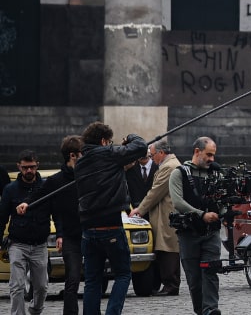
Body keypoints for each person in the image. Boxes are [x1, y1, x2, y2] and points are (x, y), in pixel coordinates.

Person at [75, 122, 147, 315]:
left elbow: (105, 176)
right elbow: (141, 146)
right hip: (111, 226)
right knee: (123, 274)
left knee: (92, 280)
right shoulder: (108, 154)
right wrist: (129, 139)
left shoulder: (81, 162)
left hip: (88, 230)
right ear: (103, 141)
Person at [18, 137, 84, 315]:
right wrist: (27, 203)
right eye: (82, 153)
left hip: (91, 233)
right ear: (72, 156)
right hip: (72, 237)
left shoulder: (88, 175)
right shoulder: (57, 180)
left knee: (94, 280)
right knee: (72, 280)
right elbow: (41, 194)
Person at [169, 137, 222, 315]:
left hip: (211, 232)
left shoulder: (216, 174)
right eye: (208, 154)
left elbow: (223, 200)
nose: (212, 159)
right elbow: (177, 202)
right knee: (194, 278)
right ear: (197, 152)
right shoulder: (179, 173)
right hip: (189, 233)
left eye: (213, 155)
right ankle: (201, 310)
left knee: (211, 271)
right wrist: (201, 215)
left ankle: (210, 309)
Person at [2, 150, 51, 315]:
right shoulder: (10, 190)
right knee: (17, 286)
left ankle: (36, 309)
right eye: (25, 168)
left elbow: (57, 212)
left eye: (31, 167)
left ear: (37, 165)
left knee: (42, 286)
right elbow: (2, 217)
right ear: (19, 167)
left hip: (40, 244)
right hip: (18, 243)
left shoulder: (45, 187)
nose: (28, 171)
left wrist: (60, 235)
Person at [131, 140, 182, 297]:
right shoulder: (170, 164)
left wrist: (140, 209)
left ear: (161, 153)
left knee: (168, 249)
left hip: (167, 215)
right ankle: (168, 284)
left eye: (152, 155)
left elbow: (155, 192)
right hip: (164, 214)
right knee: (165, 248)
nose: (151, 158)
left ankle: (171, 286)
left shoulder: (168, 167)